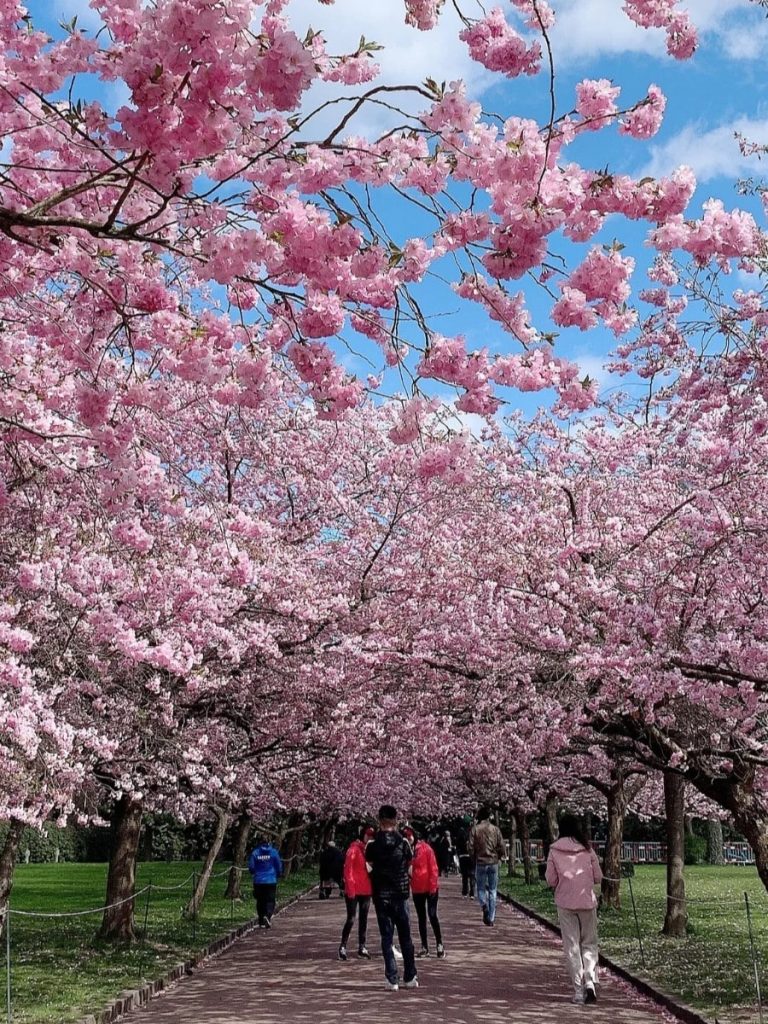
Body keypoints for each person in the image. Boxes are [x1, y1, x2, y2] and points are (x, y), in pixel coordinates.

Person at [545, 813, 603, 1005]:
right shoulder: (587, 849)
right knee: (589, 943)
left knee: (572, 947)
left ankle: (578, 991)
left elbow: (551, 880)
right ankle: (590, 980)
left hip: (565, 903)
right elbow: (598, 877)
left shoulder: (554, 850)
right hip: (587, 901)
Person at [365, 804, 418, 992]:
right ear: (395, 821)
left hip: (381, 895)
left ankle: (392, 978)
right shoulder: (403, 843)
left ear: (380, 821)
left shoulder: (372, 845)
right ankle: (410, 976)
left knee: (386, 937)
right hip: (401, 894)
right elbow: (410, 865)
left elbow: (368, 866)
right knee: (406, 937)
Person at [403, 827, 445, 959]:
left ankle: (439, 944)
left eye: (410, 836)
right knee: (421, 918)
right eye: (406, 837)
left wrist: (433, 886)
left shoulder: (425, 849)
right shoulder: (406, 851)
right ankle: (424, 946)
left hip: (429, 887)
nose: (409, 839)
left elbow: (433, 868)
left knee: (432, 915)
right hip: (417, 889)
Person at [338, 825, 375, 961]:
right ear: (362, 835)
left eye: (372, 835)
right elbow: (348, 870)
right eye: (367, 834)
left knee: (364, 919)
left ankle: (362, 946)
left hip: (366, 889)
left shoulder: (371, 850)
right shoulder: (353, 849)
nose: (369, 837)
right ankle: (343, 945)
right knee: (351, 918)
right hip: (354, 889)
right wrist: (350, 888)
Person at [470, 805, 506, 926]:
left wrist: (473, 856)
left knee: (480, 888)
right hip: (493, 862)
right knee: (493, 889)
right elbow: (501, 845)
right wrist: (500, 856)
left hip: (480, 862)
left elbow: (470, 847)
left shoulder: (475, 829)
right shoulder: (495, 829)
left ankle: (483, 905)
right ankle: (491, 917)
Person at [247, 835, 283, 928]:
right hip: (271, 880)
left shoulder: (255, 853)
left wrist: (255, 872)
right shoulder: (274, 852)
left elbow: (251, 867)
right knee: (270, 900)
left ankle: (261, 920)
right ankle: (267, 915)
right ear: (269, 842)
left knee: (260, 901)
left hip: (258, 880)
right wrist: (278, 874)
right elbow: (278, 866)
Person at [456, 815, 475, 898]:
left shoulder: (460, 832)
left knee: (464, 875)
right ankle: (472, 892)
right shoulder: (473, 831)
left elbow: (457, 844)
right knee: (472, 874)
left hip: (462, 856)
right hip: (471, 856)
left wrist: (458, 853)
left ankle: (465, 892)